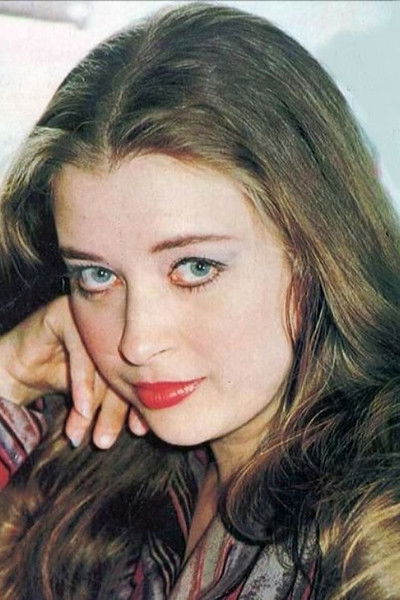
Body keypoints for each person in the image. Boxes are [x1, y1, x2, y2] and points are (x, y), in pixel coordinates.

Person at [0, 2, 399, 598]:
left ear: (314, 253)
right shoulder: (100, 467)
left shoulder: (375, 535)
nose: (137, 342)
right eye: (97, 276)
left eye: (195, 267)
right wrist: (8, 375)